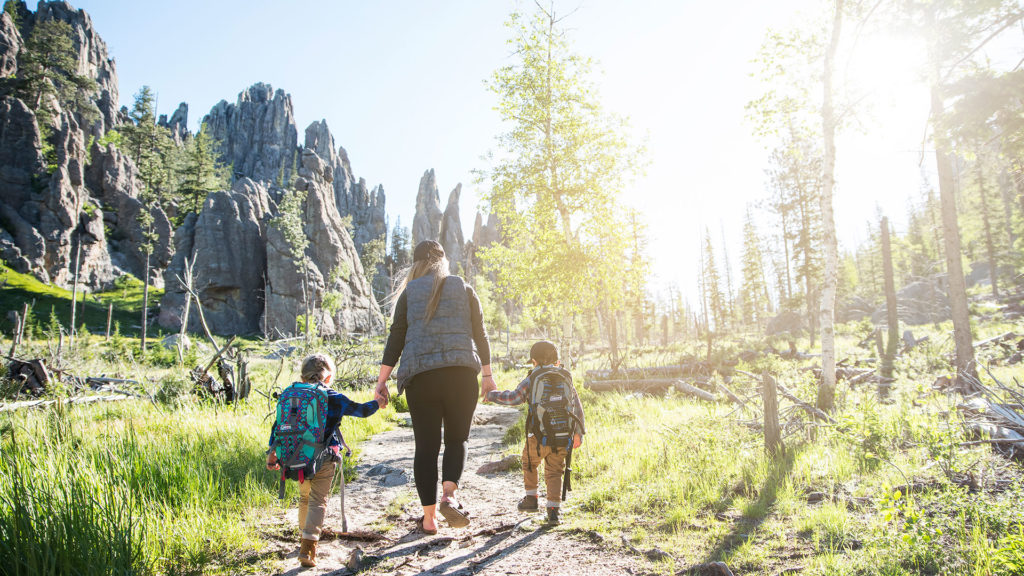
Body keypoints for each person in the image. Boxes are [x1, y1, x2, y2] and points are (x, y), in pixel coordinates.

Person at [374, 240, 495, 534]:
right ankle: (449, 495)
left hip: (421, 378)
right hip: (461, 374)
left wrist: (381, 381)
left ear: (415, 265)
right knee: (457, 440)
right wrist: (488, 376)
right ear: (443, 262)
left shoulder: (409, 293)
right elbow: (480, 333)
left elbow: (396, 338)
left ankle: (429, 519)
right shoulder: (464, 288)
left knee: (426, 448)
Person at [266, 353, 385, 568]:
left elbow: (277, 426)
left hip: (295, 457)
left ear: (302, 377)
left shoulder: (291, 394)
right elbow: (361, 410)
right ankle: (308, 546)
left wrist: (272, 453)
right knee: (318, 500)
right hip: (324, 458)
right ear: (328, 377)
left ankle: (304, 536)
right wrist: (378, 402)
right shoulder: (333, 397)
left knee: (304, 498)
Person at [484, 340, 585, 525]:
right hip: (563, 436)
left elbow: (514, 398)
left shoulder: (533, 377)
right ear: (557, 360)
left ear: (534, 361)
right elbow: (577, 407)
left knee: (529, 463)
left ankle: (531, 499)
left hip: (536, 437)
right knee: (555, 472)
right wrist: (579, 433)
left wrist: (492, 395)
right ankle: (553, 511)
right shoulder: (565, 377)